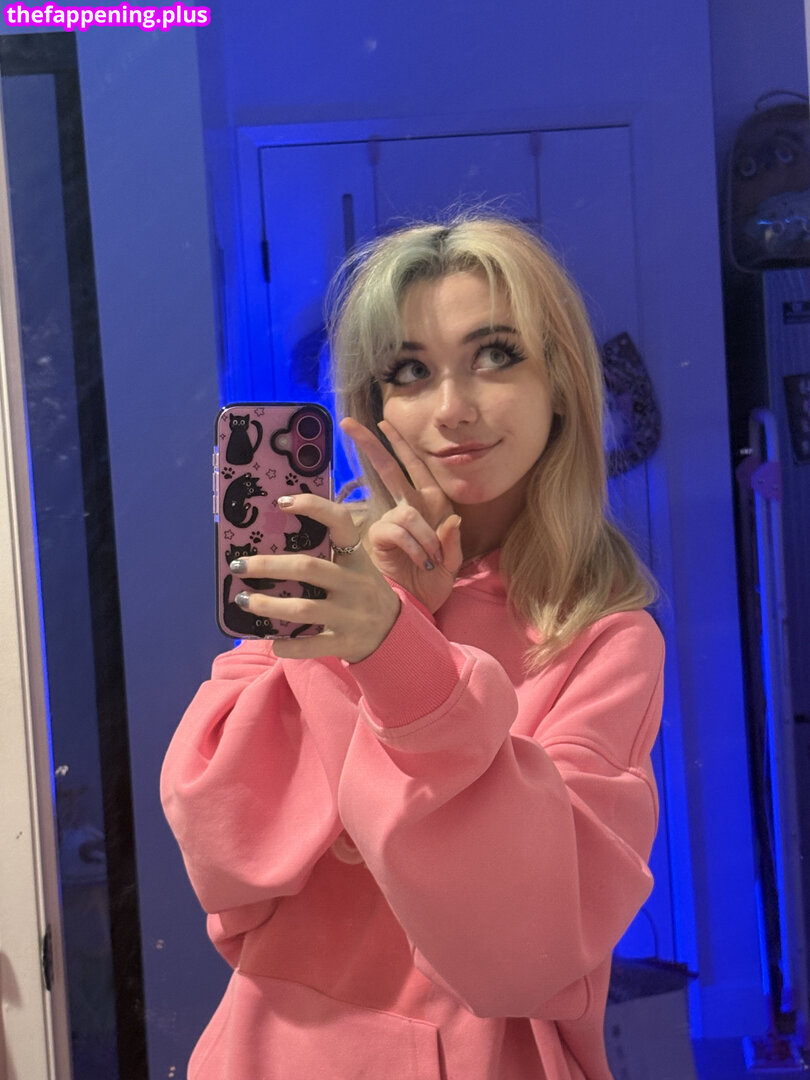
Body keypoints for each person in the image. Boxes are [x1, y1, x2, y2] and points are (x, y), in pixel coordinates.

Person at [161, 212, 664, 1080]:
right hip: (272, 1052)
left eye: (497, 354)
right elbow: (225, 851)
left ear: (561, 384)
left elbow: (526, 948)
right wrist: (368, 621)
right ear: (373, 406)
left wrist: (396, 652)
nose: (453, 409)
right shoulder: (327, 580)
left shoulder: (604, 638)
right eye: (409, 371)